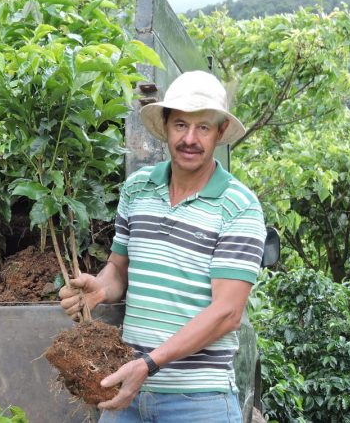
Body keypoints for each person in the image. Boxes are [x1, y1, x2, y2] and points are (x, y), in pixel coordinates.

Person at [59, 70, 266, 423]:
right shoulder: (137, 189)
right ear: (166, 126)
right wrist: (99, 290)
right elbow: (119, 269)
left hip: (200, 402)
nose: (190, 138)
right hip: (128, 396)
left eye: (203, 127)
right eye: (181, 124)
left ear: (218, 133)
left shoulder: (239, 206)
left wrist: (150, 363)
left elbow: (227, 314)